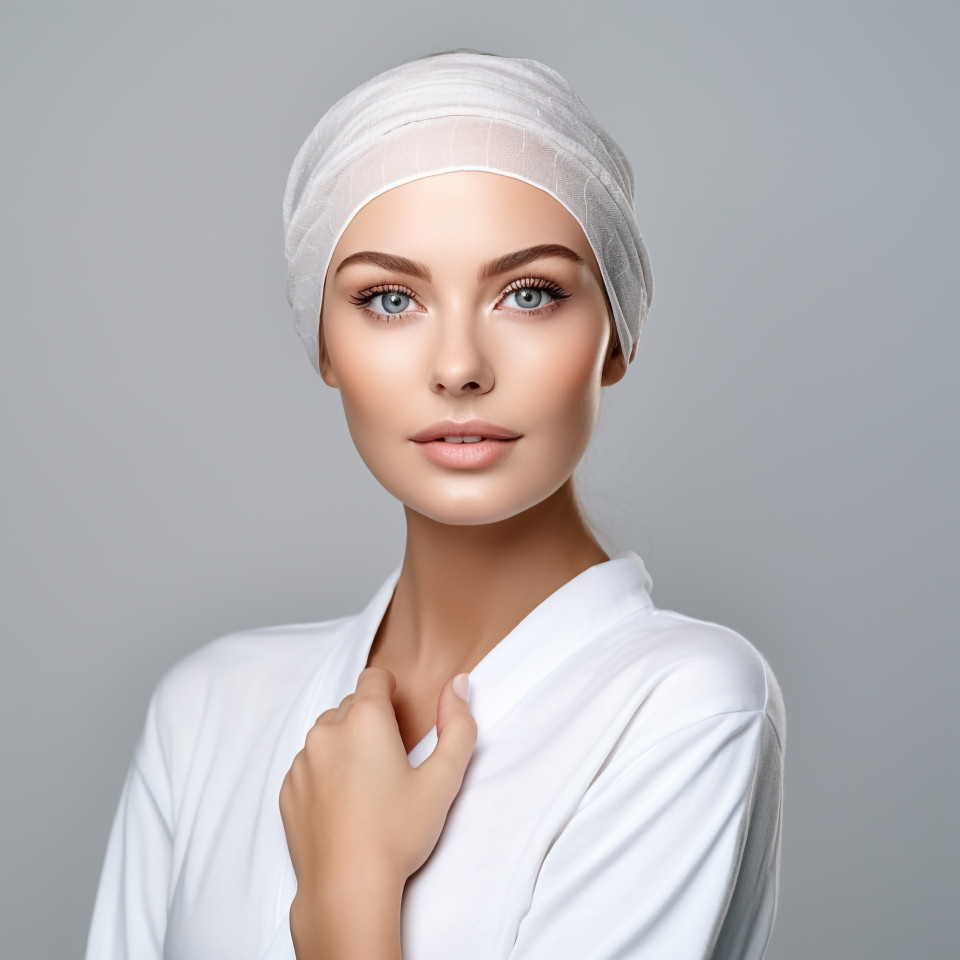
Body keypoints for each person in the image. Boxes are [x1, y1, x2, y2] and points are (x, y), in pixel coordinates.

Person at [85, 49, 785, 960]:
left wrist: (348, 895)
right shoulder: (207, 710)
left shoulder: (680, 708)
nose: (459, 366)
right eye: (389, 298)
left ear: (617, 335)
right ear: (325, 347)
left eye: (529, 293)